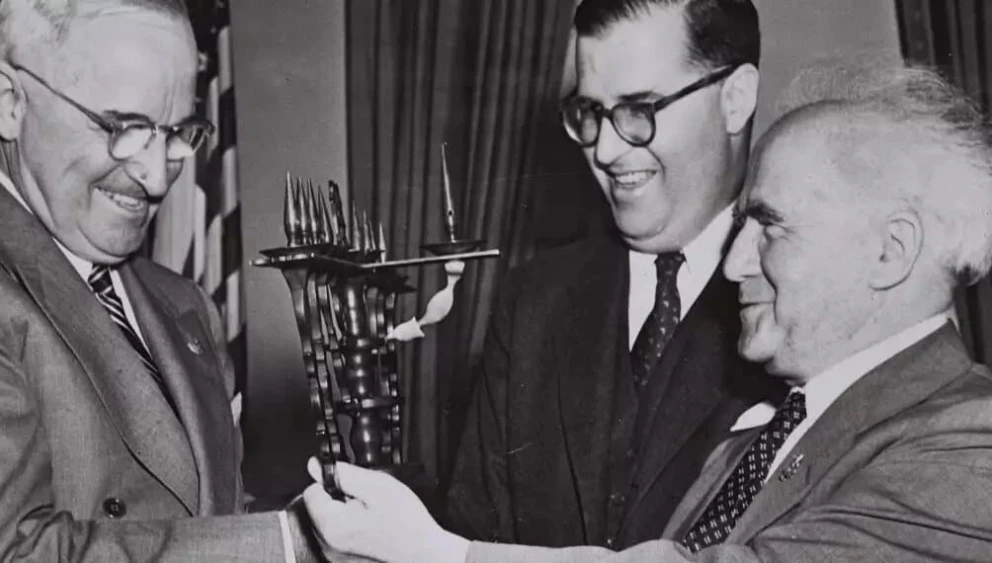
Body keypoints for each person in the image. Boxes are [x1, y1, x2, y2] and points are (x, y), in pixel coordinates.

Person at [302, 61, 992, 561]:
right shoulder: (765, 431)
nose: (733, 263)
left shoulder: (973, 446)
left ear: (890, 252)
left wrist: (440, 556)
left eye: (770, 228)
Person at [443, 0, 782, 549]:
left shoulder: (804, 302)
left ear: (735, 99)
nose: (603, 148)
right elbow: (469, 536)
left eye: (639, 109)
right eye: (590, 113)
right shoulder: (533, 301)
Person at [0, 0, 325, 560]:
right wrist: (287, 546)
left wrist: (323, 530)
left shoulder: (184, 303)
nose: (155, 177)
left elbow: (209, 519)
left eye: (178, 133)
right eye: (124, 128)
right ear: (8, 102)